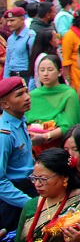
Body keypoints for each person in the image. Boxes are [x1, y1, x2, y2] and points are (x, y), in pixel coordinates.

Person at [13, 147, 80, 242]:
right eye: (34, 178)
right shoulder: (30, 206)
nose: (37, 184)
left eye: (43, 179)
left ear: (64, 177)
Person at [0, 78, 37, 233]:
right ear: (5, 104)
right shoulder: (4, 134)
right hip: (13, 200)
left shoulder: (21, 121)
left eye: (26, 92)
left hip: (29, 187)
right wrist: (29, 203)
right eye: (19, 95)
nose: (27, 97)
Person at [25, 54, 80, 151]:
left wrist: (45, 136)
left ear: (59, 72)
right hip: (33, 145)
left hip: (60, 145)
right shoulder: (32, 95)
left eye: (50, 70)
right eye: (42, 70)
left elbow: (70, 124)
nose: (45, 74)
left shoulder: (69, 93)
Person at [4, 7, 35, 79]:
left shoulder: (30, 37)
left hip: (26, 76)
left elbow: (34, 62)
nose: (9, 24)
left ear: (22, 20)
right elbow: (8, 61)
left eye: (12, 20)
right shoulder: (11, 39)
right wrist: (5, 79)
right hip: (12, 76)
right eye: (8, 21)